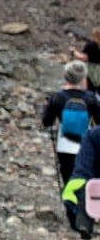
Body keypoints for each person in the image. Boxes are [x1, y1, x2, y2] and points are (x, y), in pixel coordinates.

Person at [42, 61, 100, 194]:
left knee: (68, 182)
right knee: (87, 181)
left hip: (64, 146)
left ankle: (71, 211)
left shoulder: (56, 97)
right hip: (87, 146)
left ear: (66, 76)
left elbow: (47, 122)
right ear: (83, 77)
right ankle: (86, 211)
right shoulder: (90, 98)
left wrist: (46, 107)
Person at [63, 124, 100, 240]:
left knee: (83, 186)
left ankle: (84, 227)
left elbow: (83, 168)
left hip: (65, 145)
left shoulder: (93, 135)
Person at [74, 27, 100, 92]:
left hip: (91, 68)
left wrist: (74, 51)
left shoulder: (90, 45)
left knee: (90, 88)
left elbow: (83, 57)